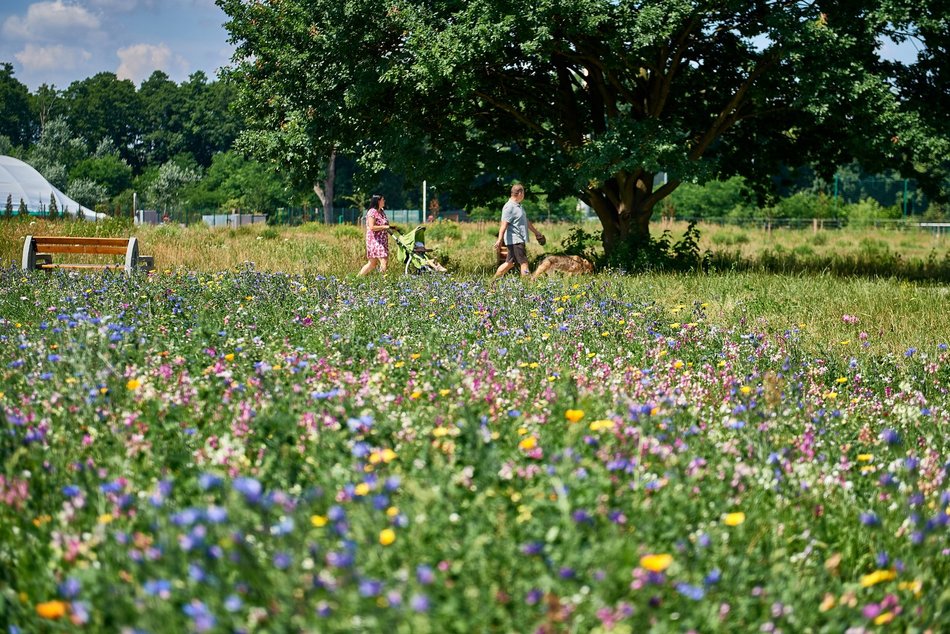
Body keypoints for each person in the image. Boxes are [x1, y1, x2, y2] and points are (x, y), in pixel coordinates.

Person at [493, 183, 544, 279]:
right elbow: (503, 225)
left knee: (509, 263)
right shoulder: (509, 207)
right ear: (520, 193)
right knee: (524, 263)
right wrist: (499, 239)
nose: (524, 195)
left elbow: (526, 221)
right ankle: (528, 285)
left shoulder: (518, 206)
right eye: (523, 193)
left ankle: (492, 282)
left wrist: (536, 233)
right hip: (515, 240)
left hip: (518, 239)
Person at [359, 195, 392, 275]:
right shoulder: (372, 212)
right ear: (378, 201)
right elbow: (372, 227)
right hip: (375, 240)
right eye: (383, 200)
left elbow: (385, 224)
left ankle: (357, 278)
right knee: (384, 261)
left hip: (382, 240)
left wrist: (391, 228)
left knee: (372, 264)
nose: (384, 201)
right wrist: (385, 227)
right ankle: (381, 281)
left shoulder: (381, 211)